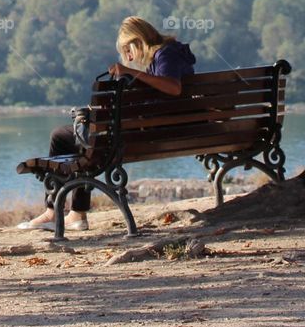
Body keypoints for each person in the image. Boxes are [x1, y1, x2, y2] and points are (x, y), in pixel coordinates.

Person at [16, 16, 197, 231]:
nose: (129, 57)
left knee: (61, 136)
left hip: (149, 135)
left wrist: (131, 72)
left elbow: (173, 88)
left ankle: (54, 212)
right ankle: (76, 214)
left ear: (137, 41)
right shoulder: (167, 55)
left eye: (127, 50)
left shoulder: (165, 53)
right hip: (164, 132)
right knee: (86, 142)